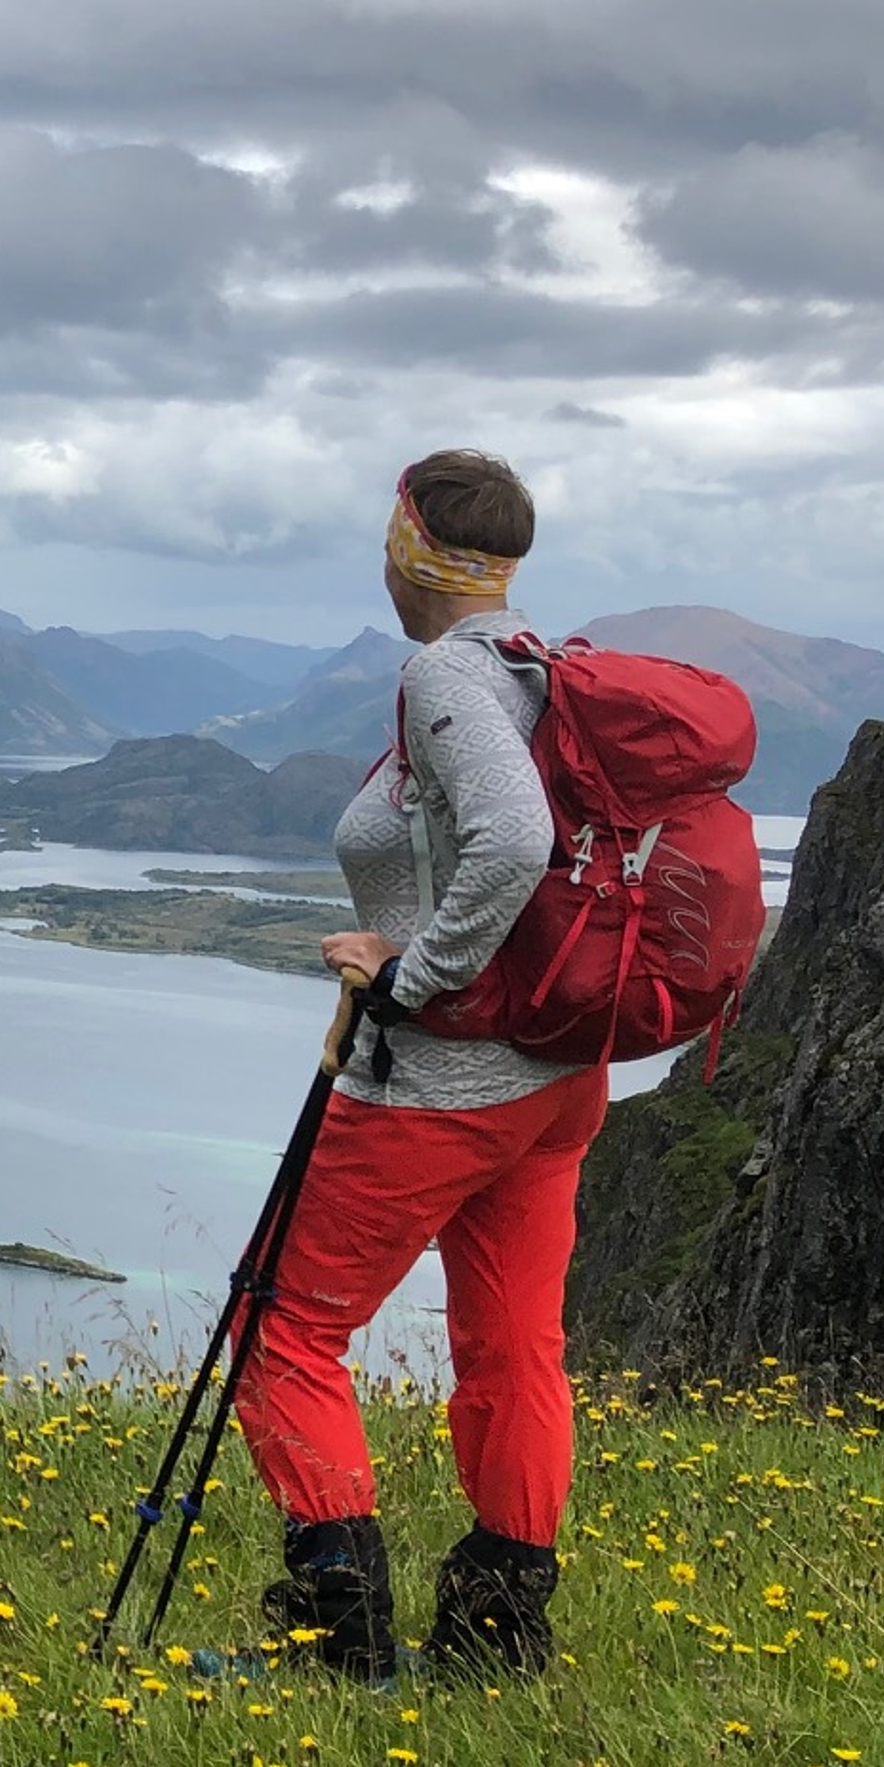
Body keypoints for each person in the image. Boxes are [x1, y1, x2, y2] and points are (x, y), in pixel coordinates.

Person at [233, 450, 600, 1681]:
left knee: (280, 1331)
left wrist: (413, 975)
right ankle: (497, 1640)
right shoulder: (537, 669)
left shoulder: (448, 671)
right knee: (515, 1348)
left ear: (407, 550)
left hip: (443, 1087)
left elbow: (513, 841)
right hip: (551, 1081)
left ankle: (344, 1644)